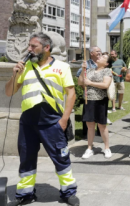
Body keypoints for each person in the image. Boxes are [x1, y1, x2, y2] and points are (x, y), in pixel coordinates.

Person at [5, 33, 79, 206]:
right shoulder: (25, 67)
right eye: (29, 46)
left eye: (33, 46)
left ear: (46, 48)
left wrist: (64, 120)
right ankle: (25, 193)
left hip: (52, 120)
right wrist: (14, 74)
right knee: (26, 158)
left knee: (61, 157)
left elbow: (71, 93)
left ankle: (68, 192)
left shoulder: (62, 67)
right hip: (28, 122)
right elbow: (9, 92)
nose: (29, 49)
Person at [78, 54, 113, 160]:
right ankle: (89, 148)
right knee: (90, 125)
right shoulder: (90, 70)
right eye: (100, 56)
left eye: (103, 57)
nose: (99, 57)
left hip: (100, 100)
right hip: (89, 99)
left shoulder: (107, 71)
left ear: (106, 63)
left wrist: (90, 83)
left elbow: (105, 85)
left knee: (102, 125)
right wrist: (83, 70)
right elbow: (81, 83)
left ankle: (107, 147)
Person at [77, 46, 103, 134]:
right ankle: (86, 133)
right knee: (88, 115)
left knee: (101, 115)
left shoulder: (102, 63)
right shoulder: (87, 64)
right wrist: (85, 88)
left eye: (100, 51)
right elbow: (79, 80)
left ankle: (100, 133)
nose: (100, 52)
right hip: (89, 94)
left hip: (101, 94)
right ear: (91, 53)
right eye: (97, 51)